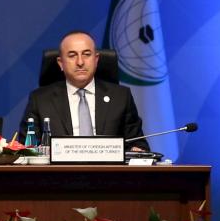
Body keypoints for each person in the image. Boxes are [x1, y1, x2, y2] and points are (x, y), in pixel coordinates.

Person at [19, 30, 148, 151]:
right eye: (72, 55)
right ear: (60, 63)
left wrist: (137, 151)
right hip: (57, 174)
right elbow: (27, 150)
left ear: (96, 59)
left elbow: (138, 144)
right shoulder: (40, 100)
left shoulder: (121, 97)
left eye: (86, 54)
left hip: (109, 173)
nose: (80, 62)